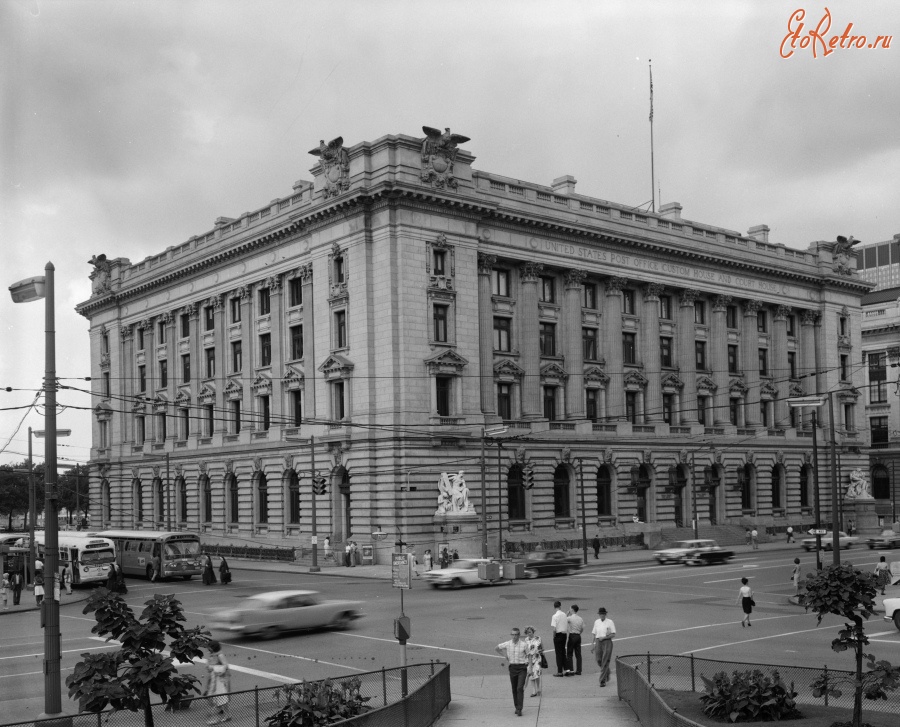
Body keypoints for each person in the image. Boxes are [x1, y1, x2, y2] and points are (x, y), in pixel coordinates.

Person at [494, 626, 529, 716]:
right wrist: (505, 655)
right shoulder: (508, 644)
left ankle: (520, 708)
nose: (514, 637)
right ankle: (517, 706)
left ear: (519, 635)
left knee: (519, 688)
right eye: (512, 635)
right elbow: (497, 648)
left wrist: (530, 668)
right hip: (513, 668)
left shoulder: (524, 644)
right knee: (514, 688)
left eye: (516, 635)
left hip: (522, 668)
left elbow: (529, 655)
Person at [203, 640, 231, 724]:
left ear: (213, 648)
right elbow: (209, 667)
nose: (208, 649)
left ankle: (219, 717)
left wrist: (214, 668)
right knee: (218, 698)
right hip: (213, 678)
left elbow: (226, 666)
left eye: (209, 647)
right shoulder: (212, 655)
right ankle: (224, 714)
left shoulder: (220, 655)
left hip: (219, 680)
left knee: (218, 697)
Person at [590, 607, 616, 687]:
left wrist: (604, 637)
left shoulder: (610, 622)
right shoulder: (596, 622)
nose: (601, 615)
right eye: (600, 614)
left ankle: (602, 680)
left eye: (603, 614)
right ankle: (607, 672)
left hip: (607, 642)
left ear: (605, 614)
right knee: (598, 660)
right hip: (598, 642)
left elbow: (613, 634)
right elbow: (594, 633)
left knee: (605, 660)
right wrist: (592, 644)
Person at [523, 625, 544, 697]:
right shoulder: (526, 640)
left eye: (530, 632)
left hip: (537, 658)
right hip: (529, 659)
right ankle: (533, 691)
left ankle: (538, 689)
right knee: (531, 675)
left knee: (537, 674)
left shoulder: (538, 638)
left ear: (533, 632)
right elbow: (525, 649)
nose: (529, 633)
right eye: (527, 632)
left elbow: (542, 647)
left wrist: (540, 651)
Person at [565, 604, 584, 676]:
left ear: (572, 610)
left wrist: (567, 614)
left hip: (572, 635)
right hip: (578, 636)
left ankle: (571, 670)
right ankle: (579, 670)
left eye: (570, 609)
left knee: (569, 653)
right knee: (578, 654)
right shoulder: (580, 618)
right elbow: (582, 629)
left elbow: (564, 621)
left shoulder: (570, 618)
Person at [550, 600, 568, 677]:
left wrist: (553, 636)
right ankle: (567, 669)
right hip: (564, 634)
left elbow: (554, 629)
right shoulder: (564, 614)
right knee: (563, 652)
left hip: (558, 635)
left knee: (558, 653)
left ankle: (559, 671)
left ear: (554, 607)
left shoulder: (554, 616)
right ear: (560, 606)